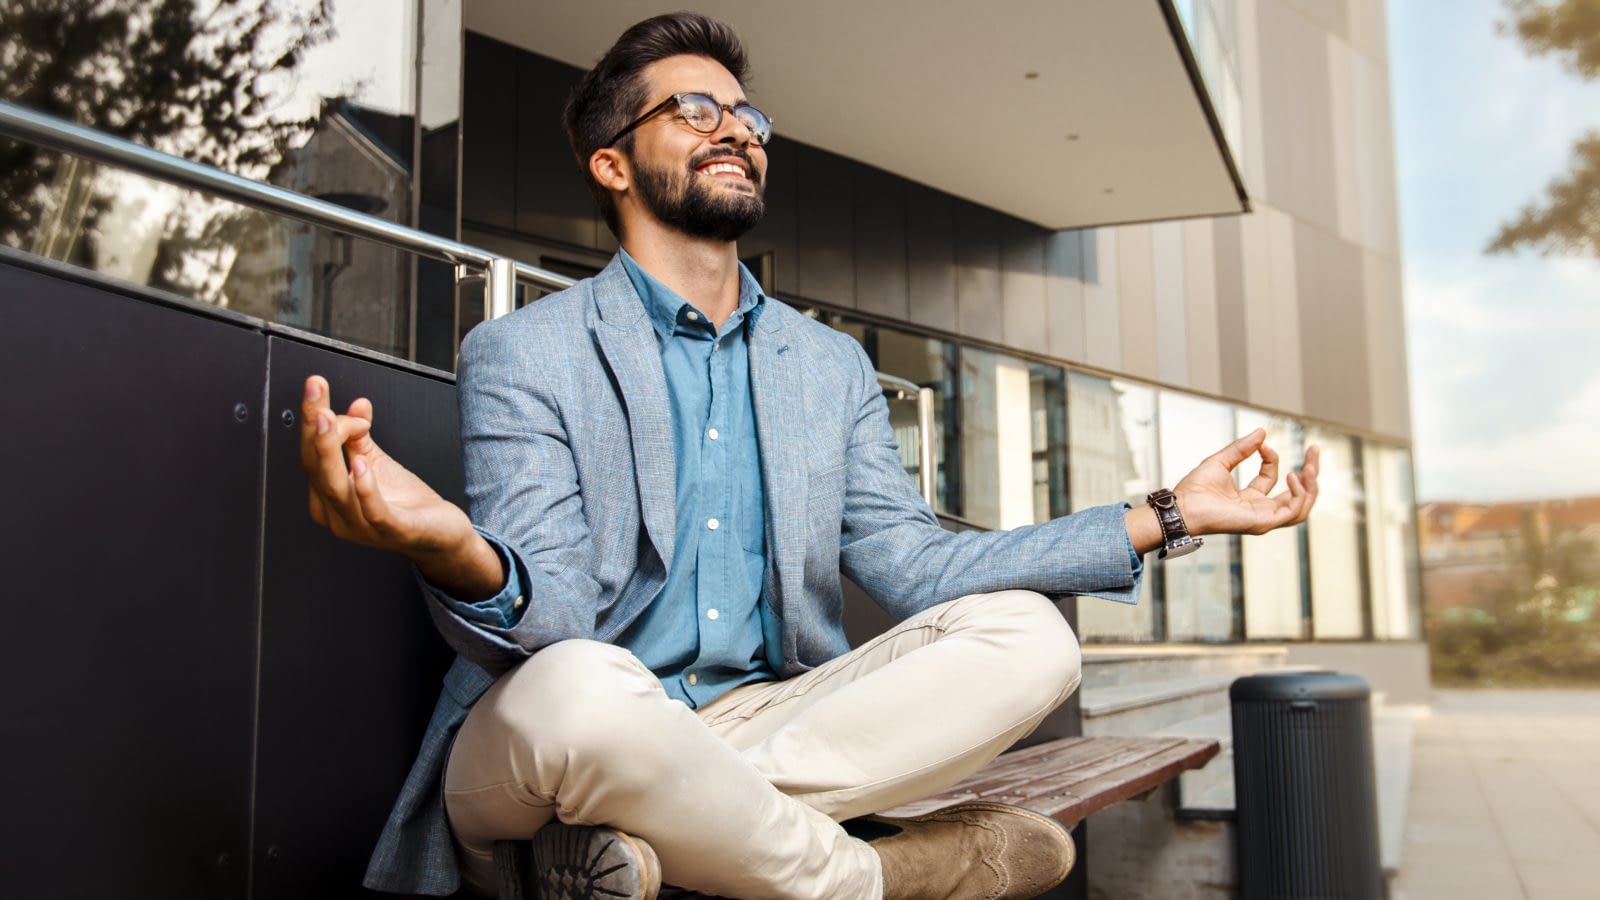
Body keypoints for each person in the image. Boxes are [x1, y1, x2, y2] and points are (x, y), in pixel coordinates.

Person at [300, 13, 1320, 900]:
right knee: (585, 690)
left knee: (1030, 641)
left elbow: (913, 568)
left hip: (769, 718)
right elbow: (555, 624)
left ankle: (672, 835)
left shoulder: (827, 367)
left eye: (746, 115)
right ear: (611, 161)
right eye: (694, 110)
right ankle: (880, 876)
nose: (736, 128)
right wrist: (452, 549)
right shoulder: (526, 351)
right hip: (558, 738)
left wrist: (1166, 514)